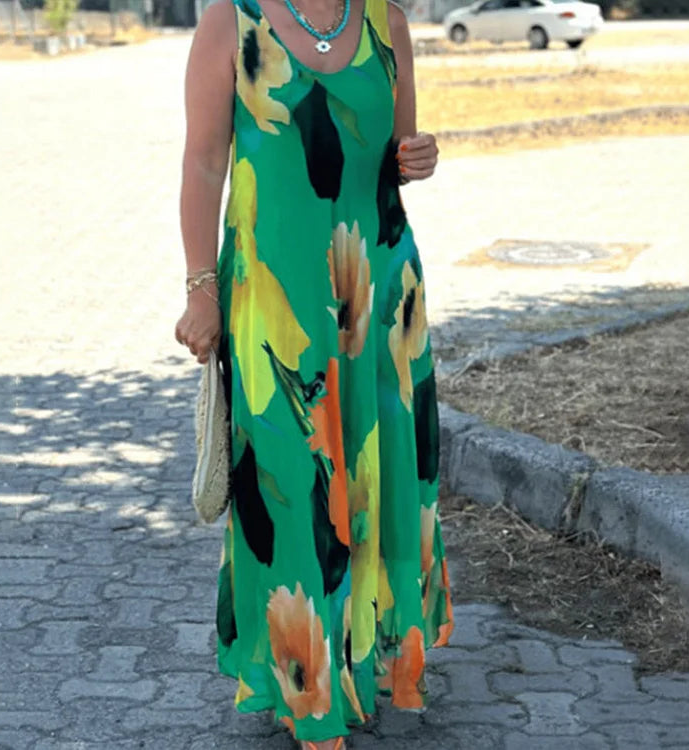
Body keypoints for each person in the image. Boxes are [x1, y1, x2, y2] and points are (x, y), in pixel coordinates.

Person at [175, 0, 455, 747]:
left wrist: (418, 157)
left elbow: (396, 154)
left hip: (377, 290)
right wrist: (201, 288)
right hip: (272, 294)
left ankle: (366, 658)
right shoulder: (230, 24)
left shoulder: (386, 24)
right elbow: (204, 160)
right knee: (289, 482)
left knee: (374, 479)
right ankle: (310, 694)